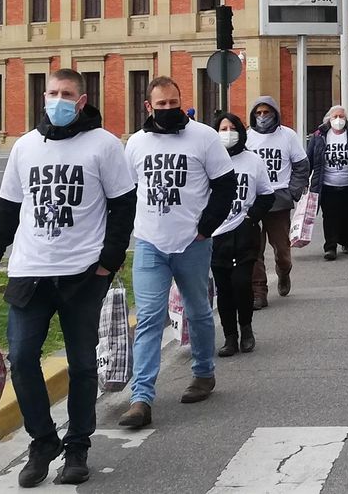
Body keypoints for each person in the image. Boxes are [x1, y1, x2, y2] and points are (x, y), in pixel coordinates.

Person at [0, 68, 135, 487]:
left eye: (66, 94)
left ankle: (78, 446)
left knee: (82, 364)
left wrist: (108, 261)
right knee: (23, 359)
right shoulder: (25, 147)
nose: (57, 100)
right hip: (30, 272)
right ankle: (43, 440)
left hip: (83, 273)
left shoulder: (103, 145)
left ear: (81, 101)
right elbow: (7, 209)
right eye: (51, 93)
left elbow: (123, 208)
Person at [118, 77, 238, 430]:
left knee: (198, 310)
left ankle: (203, 373)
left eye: (174, 103)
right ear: (148, 107)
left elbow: (225, 185)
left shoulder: (203, 137)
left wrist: (206, 226)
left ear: (181, 101)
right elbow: (126, 193)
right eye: (162, 105)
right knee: (150, 318)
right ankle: (141, 398)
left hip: (193, 243)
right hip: (150, 244)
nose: (168, 110)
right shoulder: (136, 144)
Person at [209, 113, 273, 359]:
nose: (227, 132)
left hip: (245, 233)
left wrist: (251, 217)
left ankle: (246, 329)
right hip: (217, 234)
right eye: (222, 128)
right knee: (223, 289)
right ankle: (229, 337)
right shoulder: (209, 162)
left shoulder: (253, 161)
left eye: (231, 128)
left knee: (241, 284)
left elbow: (266, 195)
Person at [244, 96, 308, 311]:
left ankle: (284, 271)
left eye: (266, 112)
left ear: (274, 113)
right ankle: (259, 292)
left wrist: (293, 191)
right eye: (258, 113)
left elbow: (301, 165)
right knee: (254, 249)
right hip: (253, 201)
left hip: (279, 199)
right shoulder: (246, 137)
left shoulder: (287, 136)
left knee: (282, 249)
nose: (262, 117)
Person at [308, 105, 348, 261]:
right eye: (335, 116)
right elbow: (309, 158)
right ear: (329, 119)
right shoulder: (319, 136)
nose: (338, 120)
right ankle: (330, 247)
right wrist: (305, 180)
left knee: (347, 215)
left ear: (346, 119)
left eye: (341, 116)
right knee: (329, 216)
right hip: (327, 184)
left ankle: (346, 242)